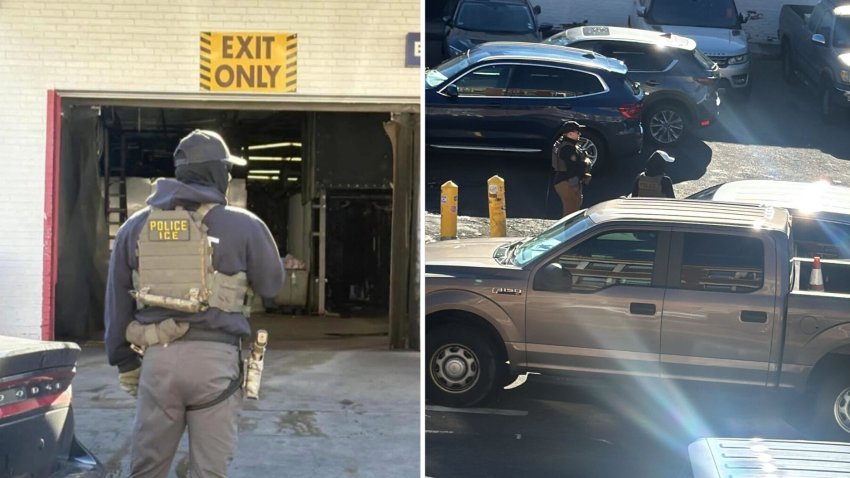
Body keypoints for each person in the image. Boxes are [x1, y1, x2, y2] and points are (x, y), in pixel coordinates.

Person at [104, 129, 284, 478]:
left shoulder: (134, 227)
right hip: (215, 366)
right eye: (227, 169)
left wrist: (125, 362)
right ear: (217, 173)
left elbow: (116, 303)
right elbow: (272, 285)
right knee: (209, 471)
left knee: (145, 469)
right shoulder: (245, 225)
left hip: (157, 361)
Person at [552, 121, 592, 216]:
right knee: (570, 214)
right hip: (568, 182)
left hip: (569, 181)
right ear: (570, 134)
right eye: (577, 132)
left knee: (574, 209)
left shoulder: (569, 144)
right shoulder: (568, 148)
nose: (579, 134)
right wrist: (585, 166)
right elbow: (574, 167)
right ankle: (567, 230)